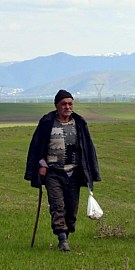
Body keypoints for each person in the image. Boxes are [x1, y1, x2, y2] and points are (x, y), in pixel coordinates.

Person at [24, 89, 101, 251]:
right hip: (53, 172)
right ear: (56, 106)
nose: (67, 107)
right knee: (57, 206)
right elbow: (37, 147)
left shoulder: (79, 123)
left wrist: (88, 172)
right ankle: (62, 239)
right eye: (64, 104)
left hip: (74, 172)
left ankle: (66, 233)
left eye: (70, 104)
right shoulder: (47, 123)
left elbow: (87, 149)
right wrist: (42, 166)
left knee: (71, 210)